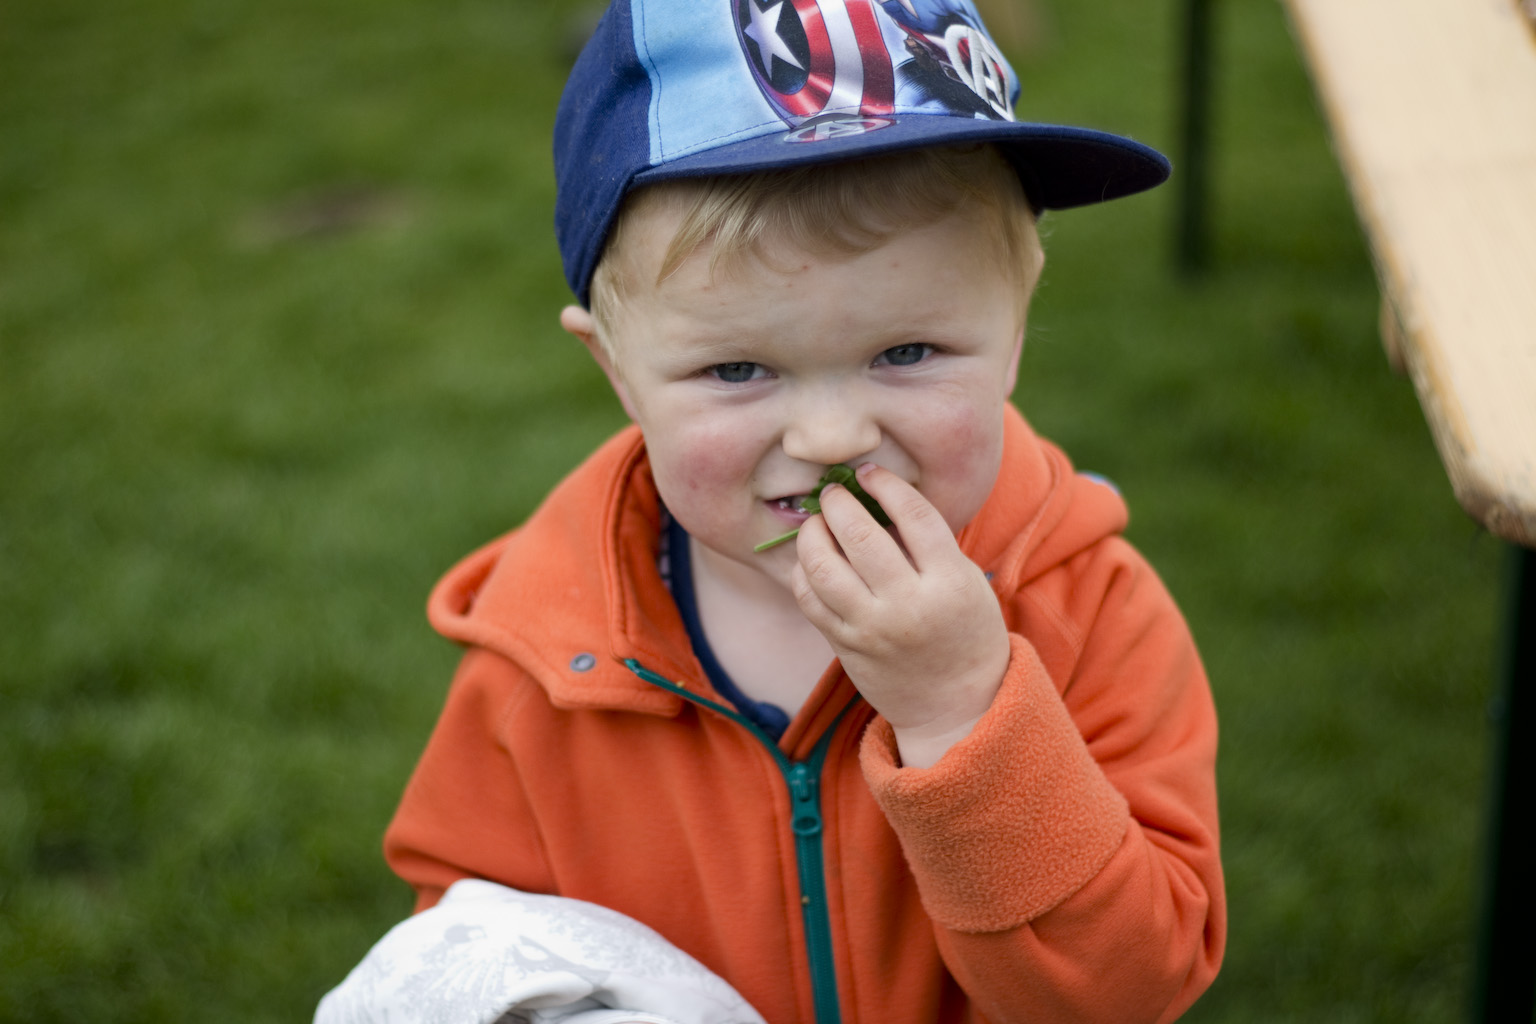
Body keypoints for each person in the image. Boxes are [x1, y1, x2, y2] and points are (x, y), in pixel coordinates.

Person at [377, 0, 1224, 1020]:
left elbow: (1131, 989)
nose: (830, 437)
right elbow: (468, 943)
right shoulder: (545, 660)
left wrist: (961, 710)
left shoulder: (1088, 612)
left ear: (1014, 327)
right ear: (617, 372)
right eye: (737, 368)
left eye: (907, 352)